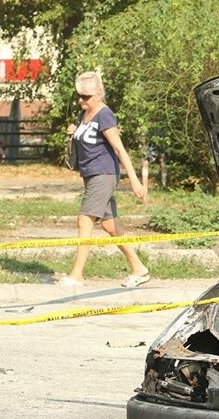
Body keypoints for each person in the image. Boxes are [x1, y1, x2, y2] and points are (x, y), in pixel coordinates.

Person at [58, 71, 150, 288]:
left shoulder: (104, 115)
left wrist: (134, 181)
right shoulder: (84, 115)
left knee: (85, 219)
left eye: (86, 96)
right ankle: (139, 268)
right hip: (90, 175)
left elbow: (119, 149)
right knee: (110, 226)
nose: (81, 100)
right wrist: (72, 132)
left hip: (104, 174)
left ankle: (77, 274)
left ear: (99, 93)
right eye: (79, 96)